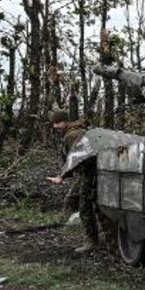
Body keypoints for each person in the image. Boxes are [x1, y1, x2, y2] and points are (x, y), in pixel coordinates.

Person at [45, 109, 111, 255]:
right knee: (76, 200)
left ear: (64, 121)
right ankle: (100, 234)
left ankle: (92, 241)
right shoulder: (77, 131)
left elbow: (76, 158)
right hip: (88, 172)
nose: (55, 126)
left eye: (57, 123)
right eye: (54, 123)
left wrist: (61, 176)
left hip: (89, 173)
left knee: (85, 206)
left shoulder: (73, 135)